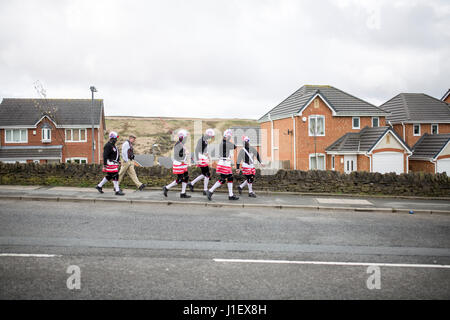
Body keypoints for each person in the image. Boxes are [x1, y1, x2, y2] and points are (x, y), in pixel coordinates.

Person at [206, 129, 239, 201]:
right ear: (226, 136)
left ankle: (231, 195)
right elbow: (234, 146)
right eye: (229, 137)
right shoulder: (225, 143)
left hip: (225, 162)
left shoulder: (224, 142)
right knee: (223, 179)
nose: (230, 138)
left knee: (230, 178)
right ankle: (210, 191)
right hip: (224, 163)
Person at [163, 129, 191, 198]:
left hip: (183, 163)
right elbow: (177, 156)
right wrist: (185, 153)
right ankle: (166, 188)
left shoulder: (182, 144)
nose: (186, 139)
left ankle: (183, 193)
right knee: (180, 179)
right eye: (186, 137)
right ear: (183, 137)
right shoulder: (178, 144)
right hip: (178, 164)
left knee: (186, 177)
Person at [96, 131, 125, 196]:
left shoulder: (113, 145)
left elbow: (115, 154)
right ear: (112, 138)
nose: (116, 140)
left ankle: (99, 186)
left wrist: (118, 160)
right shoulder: (108, 145)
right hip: (110, 164)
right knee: (115, 175)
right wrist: (105, 165)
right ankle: (117, 190)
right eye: (115, 138)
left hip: (114, 163)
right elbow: (105, 155)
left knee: (109, 176)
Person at [187, 128, 215, 195]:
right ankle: (205, 190)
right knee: (207, 174)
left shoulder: (205, 140)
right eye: (211, 136)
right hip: (200, 157)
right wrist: (197, 160)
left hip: (203, 157)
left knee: (204, 174)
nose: (211, 137)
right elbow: (196, 150)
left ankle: (191, 183)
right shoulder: (201, 140)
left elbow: (204, 150)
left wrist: (207, 155)